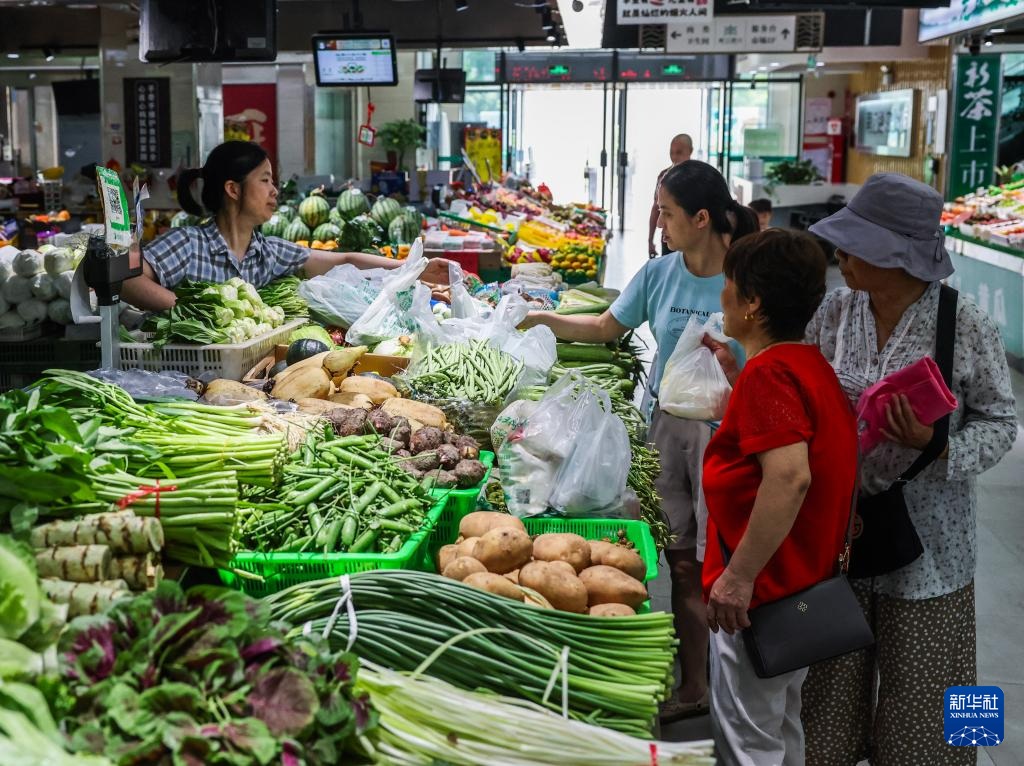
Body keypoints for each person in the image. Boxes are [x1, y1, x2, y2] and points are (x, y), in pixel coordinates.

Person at [522, 159, 759, 722]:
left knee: (722, 568)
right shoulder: (659, 274)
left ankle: (740, 692)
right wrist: (543, 320)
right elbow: (607, 326)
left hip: (730, 438)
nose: (659, 220)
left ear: (702, 218)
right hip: (665, 432)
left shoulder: (748, 275)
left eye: (668, 211)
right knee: (678, 564)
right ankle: (694, 685)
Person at [793, 174, 1017, 765]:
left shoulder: (964, 323)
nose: (840, 254)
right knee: (824, 711)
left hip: (935, 549)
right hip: (840, 539)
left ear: (896, 256)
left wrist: (936, 444)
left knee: (941, 715)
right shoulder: (837, 312)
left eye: (855, 243)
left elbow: (1001, 422)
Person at [701, 229, 858, 765]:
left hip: (762, 597)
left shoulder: (771, 376)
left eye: (728, 284)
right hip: (801, 589)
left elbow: (789, 477)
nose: (720, 296)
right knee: (781, 728)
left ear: (752, 303)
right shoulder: (807, 366)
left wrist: (738, 577)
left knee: (749, 741)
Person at [120, 141, 450, 312]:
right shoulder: (189, 243)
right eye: (264, 181)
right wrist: (192, 312)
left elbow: (344, 260)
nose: (274, 191)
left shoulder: (266, 251)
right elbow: (127, 282)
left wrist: (415, 268)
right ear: (233, 189)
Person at [649, 133, 694, 258]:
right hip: (669, 238)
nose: (674, 157)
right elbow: (656, 209)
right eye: (671, 152)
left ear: (690, 151)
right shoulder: (664, 176)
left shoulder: (698, 178)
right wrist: (650, 240)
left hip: (692, 241)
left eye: (679, 152)